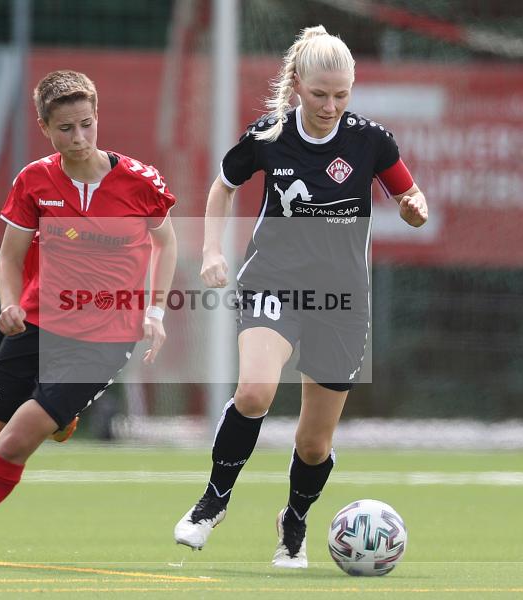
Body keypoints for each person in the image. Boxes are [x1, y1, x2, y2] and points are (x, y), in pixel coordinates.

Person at [0, 70, 178, 566]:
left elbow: (166, 242)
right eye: (66, 128)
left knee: (13, 442)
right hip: (38, 320)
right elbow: (9, 260)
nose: (79, 137)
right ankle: (61, 417)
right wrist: (9, 304)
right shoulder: (34, 180)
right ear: (45, 127)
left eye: (87, 124)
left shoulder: (140, 181)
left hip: (105, 335)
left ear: (97, 117)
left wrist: (155, 310)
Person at [173, 26, 427, 568]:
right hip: (274, 282)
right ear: (296, 86)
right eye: (319, 94)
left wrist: (414, 208)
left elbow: (410, 194)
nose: (330, 106)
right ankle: (213, 501)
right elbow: (222, 187)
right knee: (255, 393)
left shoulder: (371, 141)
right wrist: (212, 251)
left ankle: (294, 522)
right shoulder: (269, 137)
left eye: (341, 95)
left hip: (342, 301)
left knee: (314, 444)